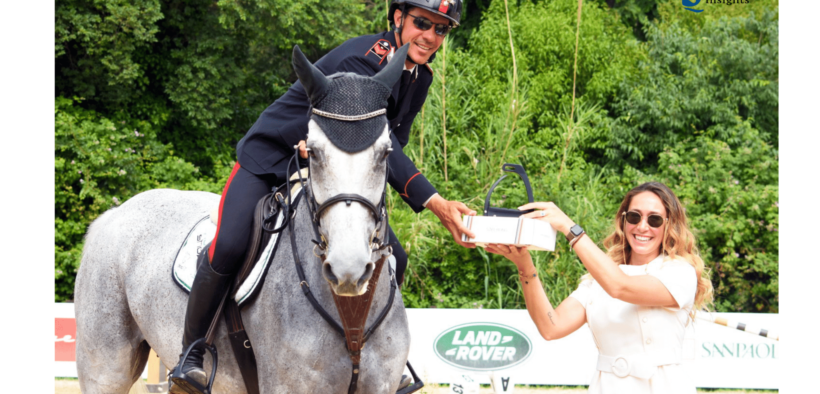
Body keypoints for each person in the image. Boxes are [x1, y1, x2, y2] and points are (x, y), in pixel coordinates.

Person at [169, 1, 476, 393]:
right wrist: (435, 202)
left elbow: (390, 146)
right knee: (228, 245)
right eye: (422, 23)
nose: (430, 37)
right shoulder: (362, 63)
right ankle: (191, 355)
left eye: (441, 30)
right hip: (270, 160)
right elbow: (383, 141)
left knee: (393, 256)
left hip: (327, 174)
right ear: (398, 18)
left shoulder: (418, 77)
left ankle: (382, 357)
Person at [486, 182, 713, 393]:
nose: (642, 226)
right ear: (624, 221)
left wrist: (569, 228)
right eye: (634, 217)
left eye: (654, 220)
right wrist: (525, 265)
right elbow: (551, 327)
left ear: (669, 225)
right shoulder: (597, 279)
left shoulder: (680, 272)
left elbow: (620, 287)